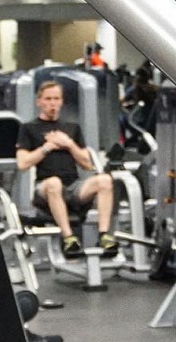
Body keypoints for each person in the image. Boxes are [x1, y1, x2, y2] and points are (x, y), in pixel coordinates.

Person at [16, 81, 119, 259]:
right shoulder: (28, 128)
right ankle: (68, 238)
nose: (52, 103)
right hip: (45, 188)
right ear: (39, 102)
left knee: (105, 180)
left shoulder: (72, 128)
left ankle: (104, 236)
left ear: (62, 102)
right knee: (54, 183)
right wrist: (48, 147)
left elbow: (87, 164)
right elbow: (23, 164)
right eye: (48, 99)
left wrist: (68, 144)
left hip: (73, 186)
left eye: (56, 99)